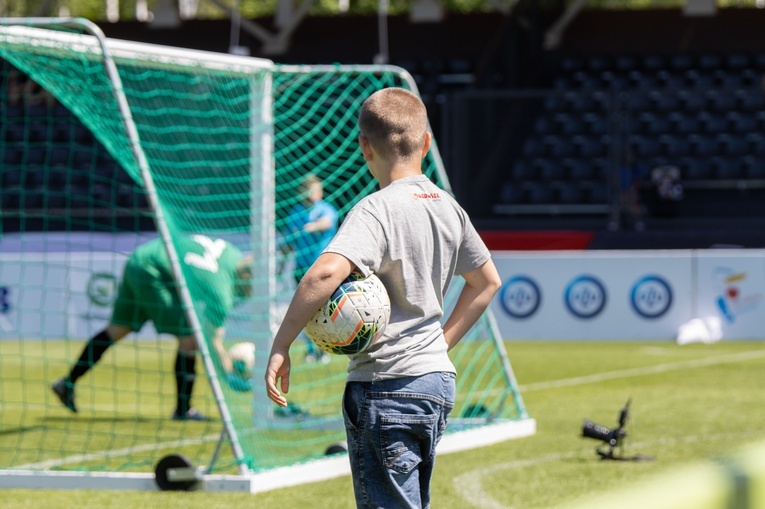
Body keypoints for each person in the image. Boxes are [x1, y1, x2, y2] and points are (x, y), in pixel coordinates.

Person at [264, 87, 501, 508]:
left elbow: (324, 272)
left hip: (385, 383)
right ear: (426, 141)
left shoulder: (375, 209)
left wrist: (282, 343)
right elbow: (486, 283)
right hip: (436, 382)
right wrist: (438, 344)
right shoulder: (449, 208)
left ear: (364, 147)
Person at [51, 235, 253, 420]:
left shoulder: (234, 253)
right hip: (154, 272)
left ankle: (67, 383)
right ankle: (183, 410)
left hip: (140, 259)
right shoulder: (221, 292)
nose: (250, 295)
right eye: (252, 288)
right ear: (246, 277)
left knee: (117, 330)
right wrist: (231, 376)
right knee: (190, 339)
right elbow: (212, 340)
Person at [281, 173, 338, 363]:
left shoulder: (325, 209)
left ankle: (326, 349)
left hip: (323, 270)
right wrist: (280, 265)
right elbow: (288, 243)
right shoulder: (295, 213)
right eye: (311, 189)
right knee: (305, 312)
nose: (315, 193)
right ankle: (311, 350)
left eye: (317, 189)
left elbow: (327, 223)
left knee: (325, 311)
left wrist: (312, 227)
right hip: (301, 270)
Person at [619, 149, 646, 231]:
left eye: (632, 157)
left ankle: (638, 221)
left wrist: (633, 189)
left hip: (632, 191)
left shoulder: (635, 169)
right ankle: (618, 221)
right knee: (621, 199)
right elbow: (616, 182)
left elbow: (638, 182)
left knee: (633, 201)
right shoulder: (621, 169)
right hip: (622, 190)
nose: (630, 158)